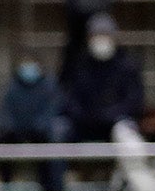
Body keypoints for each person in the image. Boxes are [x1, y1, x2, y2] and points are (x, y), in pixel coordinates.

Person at [61, 14, 143, 144]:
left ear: (114, 38)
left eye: (105, 35)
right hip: (83, 124)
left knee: (128, 138)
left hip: (118, 122)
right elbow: (70, 99)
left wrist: (110, 115)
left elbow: (134, 101)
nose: (101, 40)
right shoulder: (79, 66)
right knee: (60, 130)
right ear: (88, 38)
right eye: (96, 36)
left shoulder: (127, 66)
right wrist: (88, 116)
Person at [0, 56, 65, 191]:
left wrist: (40, 126)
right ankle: (6, 185)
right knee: (3, 142)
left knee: (51, 143)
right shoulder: (11, 87)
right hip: (15, 131)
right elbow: (4, 114)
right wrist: (12, 128)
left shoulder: (49, 86)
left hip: (41, 131)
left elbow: (53, 110)